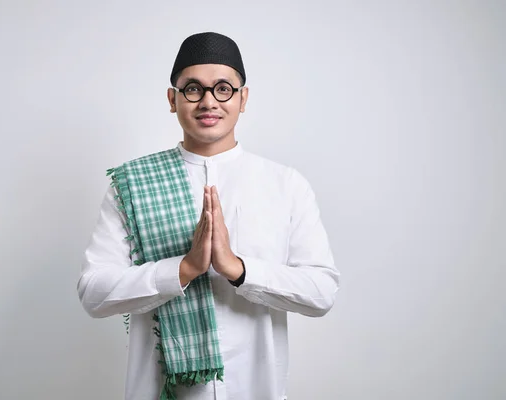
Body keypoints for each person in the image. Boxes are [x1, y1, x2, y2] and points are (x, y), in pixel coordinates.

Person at [77, 32, 340, 400]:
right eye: (192, 89)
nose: (208, 102)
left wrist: (239, 269)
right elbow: (93, 292)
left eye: (223, 89)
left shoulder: (285, 185)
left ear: (243, 98)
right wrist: (183, 269)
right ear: (172, 98)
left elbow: (322, 292)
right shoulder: (131, 185)